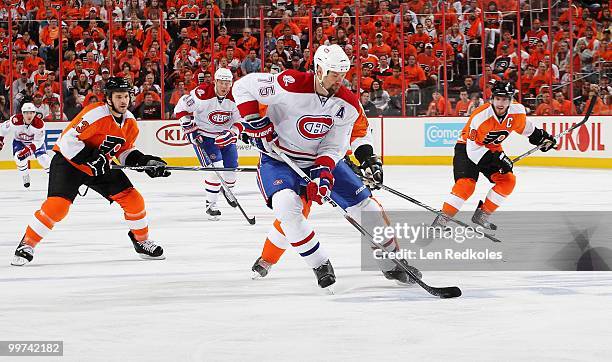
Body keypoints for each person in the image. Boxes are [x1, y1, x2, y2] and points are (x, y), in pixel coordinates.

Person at [232, 44, 420, 289]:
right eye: (334, 73)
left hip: (318, 161)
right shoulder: (289, 83)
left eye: (343, 74)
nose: (339, 79)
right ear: (319, 69)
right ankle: (319, 263)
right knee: (287, 207)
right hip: (279, 159)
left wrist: (322, 174)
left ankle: (392, 263)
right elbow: (242, 86)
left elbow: (334, 145)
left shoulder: (348, 104)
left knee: (369, 209)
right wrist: (253, 120)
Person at [11, 78, 170, 266]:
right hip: (70, 162)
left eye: (126, 96)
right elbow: (68, 141)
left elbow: (124, 151)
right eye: (118, 96)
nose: (123, 101)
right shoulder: (94, 113)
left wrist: (145, 162)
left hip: (99, 166)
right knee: (58, 207)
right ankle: (27, 243)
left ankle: (141, 241)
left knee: (133, 199)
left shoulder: (130, 123)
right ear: (109, 99)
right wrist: (90, 157)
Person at [433, 81, 557, 230]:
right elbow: (473, 151)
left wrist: (543, 138)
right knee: (466, 185)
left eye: (505, 99)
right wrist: (498, 160)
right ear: (492, 98)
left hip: (492, 149)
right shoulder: (480, 117)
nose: (501, 103)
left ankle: (482, 215)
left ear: (511, 100)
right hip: (467, 148)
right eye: (498, 98)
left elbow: (527, 129)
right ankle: (441, 221)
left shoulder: (517, 112)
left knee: (508, 181)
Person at [173, 68, 243, 220]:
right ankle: (211, 205)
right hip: (204, 137)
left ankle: (227, 189)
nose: (224, 86)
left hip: (225, 137)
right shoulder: (202, 94)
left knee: (231, 171)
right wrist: (190, 128)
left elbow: (240, 121)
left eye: (228, 83)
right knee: (215, 168)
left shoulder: (236, 97)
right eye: (222, 82)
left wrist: (232, 133)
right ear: (215, 81)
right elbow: (180, 109)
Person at [0, 102, 51, 188]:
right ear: (22, 113)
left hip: (34, 143)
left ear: (34, 113)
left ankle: (54, 178)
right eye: (26, 113)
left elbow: (38, 141)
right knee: (18, 158)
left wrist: (28, 150)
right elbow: (3, 128)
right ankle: (25, 175)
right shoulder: (15, 121)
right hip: (20, 142)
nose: (29, 115)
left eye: (31, 113)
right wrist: (0, 139)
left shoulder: (39, 124)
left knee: (44, 159)